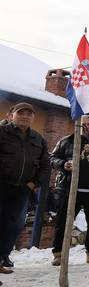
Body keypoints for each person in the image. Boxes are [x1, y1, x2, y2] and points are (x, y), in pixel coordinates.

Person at [49, 112, 89, 266]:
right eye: (82, 124)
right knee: (63, 222)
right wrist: (63, 164)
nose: (85, 127)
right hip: (71, 189)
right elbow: (52, 158)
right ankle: (59, 254)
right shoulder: (66, 141)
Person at [0, 103, 50, 274]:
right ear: (11, 115)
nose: (25, 116)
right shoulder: (2, 133)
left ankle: (2, 258)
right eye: (21, 113)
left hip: (22, 189)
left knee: (13, 225)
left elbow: (45, 166)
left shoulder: (38, 139)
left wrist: (34, 183)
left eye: (29, 114)